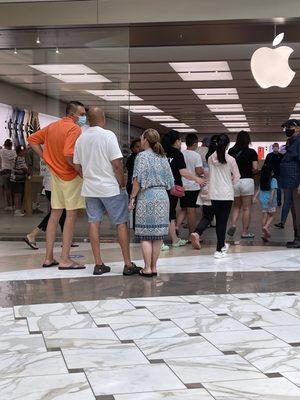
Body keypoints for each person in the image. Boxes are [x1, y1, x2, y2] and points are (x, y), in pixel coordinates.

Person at [73, 106, 141, 276]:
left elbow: (76, 164)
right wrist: (122, 183)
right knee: (120, 223)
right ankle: (127, 264)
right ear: (102, 119)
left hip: (90, 188)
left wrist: (87, 177)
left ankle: (98, 264)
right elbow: (117, 164)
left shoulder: (81, 138)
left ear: (88, 120)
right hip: (111, 188)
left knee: (94, 223)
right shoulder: (108, 135)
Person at [27, 101, 86, 269]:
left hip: (55, 176)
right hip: (71, 176)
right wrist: (80, 170)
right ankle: (65, 259)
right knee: (70, 216)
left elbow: (32, 139)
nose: (83, 117)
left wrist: (45, 156)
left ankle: (48, 257)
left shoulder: (53, 126)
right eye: (82, 114)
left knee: (55, 215)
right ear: (73, 114)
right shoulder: (74, 129)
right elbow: (69, 154)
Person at [129, 129, 174, 277]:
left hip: (146, 196)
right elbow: (170, 183)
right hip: (162, 196)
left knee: (145, 235)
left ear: (146, 140)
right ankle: (154, 267)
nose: (140, 141)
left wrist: (132, 198)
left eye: (141, 138)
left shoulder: (141, 157)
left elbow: (137, 181)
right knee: (158, 236)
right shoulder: (163, 157)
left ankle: (147, 268)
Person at [161, 130, 206, 249]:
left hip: (160, 187)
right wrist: (197, 179)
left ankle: (174, 239)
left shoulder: (160, 153)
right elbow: (183, 172)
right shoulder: (176, 153)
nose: (180, 142)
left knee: (167, 213)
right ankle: (160, 241)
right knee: (169, 213)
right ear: (176, 141)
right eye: (179, 140)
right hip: (173, 187)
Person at [208, 134, 240, 258]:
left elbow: (211, 174)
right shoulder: (231, 159)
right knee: (223, 221)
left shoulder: (210, 158)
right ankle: (219, 249)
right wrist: (229, 182)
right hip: (226, 194)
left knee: (218, 221)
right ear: (227, 145)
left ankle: (220, 246)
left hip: (214, 193)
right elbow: (237, 176)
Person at [23, 161, 67, 250]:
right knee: (56, 212)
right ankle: (32, 235)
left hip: (49, 186)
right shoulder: (56, 152)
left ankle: (66, 239)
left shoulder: (48, 152)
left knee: (61, 212)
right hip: (54, 186)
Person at [227, 130, 258, 239]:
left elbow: (228, 167)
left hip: (234, 181)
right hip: (247, 181)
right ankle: (244, 232)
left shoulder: (231, 151)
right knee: (246, 208)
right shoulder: (252, 152)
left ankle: (233, 224)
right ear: (248, 140)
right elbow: (255, 168)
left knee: (236, 207)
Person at [190, 135, 218, 249]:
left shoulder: (206, 157)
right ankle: (221, 242)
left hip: (206, 189)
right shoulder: (222, 158)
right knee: (221, 216)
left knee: (207, 216)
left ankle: (196, 233)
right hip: (218, 191)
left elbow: (203, 172)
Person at [176, 133, 203, 234]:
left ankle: (176, 227)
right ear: (195, 144)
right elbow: (199, 171)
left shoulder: (181, 154)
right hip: (193, 186)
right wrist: (204, 171)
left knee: (183, 208)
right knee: (191, 211)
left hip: (182, 185)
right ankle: (192, 235)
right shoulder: (196, 155)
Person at [280, 119, 300, 248]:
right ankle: (296, 237)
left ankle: (298, 239)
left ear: (298, 128)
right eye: (286, 127)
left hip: (296, 182)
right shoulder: (292, 142)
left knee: (298, 212)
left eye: (290, 127)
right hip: (290, 183)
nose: (287, 129)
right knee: (294, 212)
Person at [253, 164, 278, 242]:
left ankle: (264, 234)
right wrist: (271, 198)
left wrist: (254, 197)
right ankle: (266, 227)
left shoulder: (262, 180)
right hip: (270, 200)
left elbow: (259, 189)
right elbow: (273, 190)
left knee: (264, 216)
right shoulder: (273, 180)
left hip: (263, 200)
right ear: (271, 172)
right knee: (272, 216)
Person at [10, 145, 28, 216]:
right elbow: (24, 169)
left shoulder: (17, 157)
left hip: (15, 179)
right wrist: (28, 171)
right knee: (18, 195)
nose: (25, 151)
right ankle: (17, 211)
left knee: (17, 195)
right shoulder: (20, 158)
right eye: (24, 150)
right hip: (17, 180)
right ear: (20, 151)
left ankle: (17, 209)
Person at [0, 139, 16, 210]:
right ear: (11, 145)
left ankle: (9, 205)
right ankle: (14, 205)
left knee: (7, 189)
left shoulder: (2, 151)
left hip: (4, 171)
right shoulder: (14, 152)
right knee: (13, 189)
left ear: (5, 144)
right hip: (12, 172)